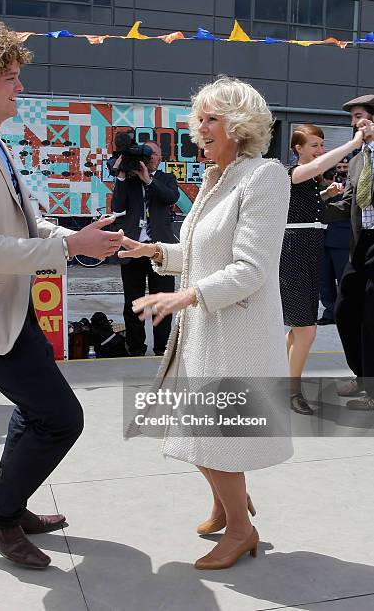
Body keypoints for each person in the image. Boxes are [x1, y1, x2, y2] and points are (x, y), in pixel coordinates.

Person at [0, 22, 123, 569]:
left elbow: (29, 228)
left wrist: (83, 240)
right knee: (61, 418)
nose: (19, 87)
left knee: (38, 412)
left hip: (12, 311)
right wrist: (70, 248)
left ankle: (9, 506)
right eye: (10, 78)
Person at [120, 76, 293, 570]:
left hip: (233, 332)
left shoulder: (265, 176)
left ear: (240, 125)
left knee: (214, 434)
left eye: (211, 119)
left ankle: (241, 529)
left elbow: (250, 269)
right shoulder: (218, 176)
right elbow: (200, 253)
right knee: (192, 428)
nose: (199, 129)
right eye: (198, 119)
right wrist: (152, 250)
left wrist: (186, 296)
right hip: (204, 328)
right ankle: (227, 503)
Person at [279, 123, 366, 415]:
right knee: (306, 330)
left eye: (322, 144)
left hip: (308, 250)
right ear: (298, 149)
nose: (320, 150)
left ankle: (283, 386)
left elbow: (302, 208)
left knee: (298, 329)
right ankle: (291, 392)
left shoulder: (310, 179)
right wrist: (354, 143)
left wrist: (326, 195)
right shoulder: (290, 172)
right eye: (314, 145)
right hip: (296, 252)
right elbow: (314, 170)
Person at [112, 141, 179, 356]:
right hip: (133, 250)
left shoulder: (166, 179)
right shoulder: (129, 181)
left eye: (155, 154)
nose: (151, 157)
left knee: (162, 303)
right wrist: (122, 175)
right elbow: (117, 207)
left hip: (160, 250)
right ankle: (135, 348)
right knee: (134, 304)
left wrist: (148, 180)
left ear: (160, 158)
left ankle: (162, 349)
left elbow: (171, 197)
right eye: (147, 154)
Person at [332, 95, 374, 410]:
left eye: (358, 116)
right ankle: (362, 376)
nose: (354, 124)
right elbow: (349, 203)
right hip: (362, 245)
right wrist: (313, 200)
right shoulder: (360, 159)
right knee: (345, 310)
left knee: (371, 317)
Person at [318, 157, 352, 325]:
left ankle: (344, 313)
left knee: (343, 279)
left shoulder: (352, 183)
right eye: (339, 166)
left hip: (342, 239)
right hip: (324, 238)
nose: (341, 170)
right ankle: (329, 312)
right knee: (325, 280)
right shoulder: (327, 182)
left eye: (345, 166)